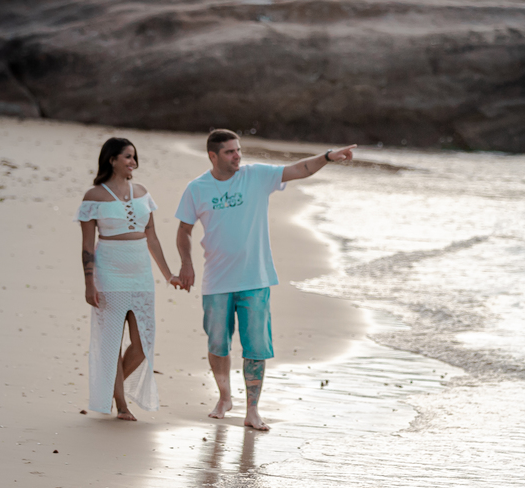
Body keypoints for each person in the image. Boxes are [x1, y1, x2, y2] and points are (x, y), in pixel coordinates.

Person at [175, 128, 356, 430]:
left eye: (238, 149)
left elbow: (299, 169)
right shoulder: (197, 188)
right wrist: (186, 265)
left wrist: (328, 156)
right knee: (218, 344)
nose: (237, 155)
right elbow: (183, 230)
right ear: (213, 155)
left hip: (255, 279)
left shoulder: (256, 176)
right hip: (216, 281)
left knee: (256, 348)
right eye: (230, 151)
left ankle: (252, 409)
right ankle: (224, 397)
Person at [78, 137, 183, 421]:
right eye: (128, 157)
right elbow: (88, 247)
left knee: (142, 344)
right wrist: (90, 284)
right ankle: (121, 405)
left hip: (140, 274)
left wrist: (168, 274)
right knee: (111, 342)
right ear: (112, 159)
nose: (133, 163)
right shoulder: (93, 197)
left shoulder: (142, 192)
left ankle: (113, 389)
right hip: (109, 272)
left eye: (135, 157)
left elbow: (152, 237)